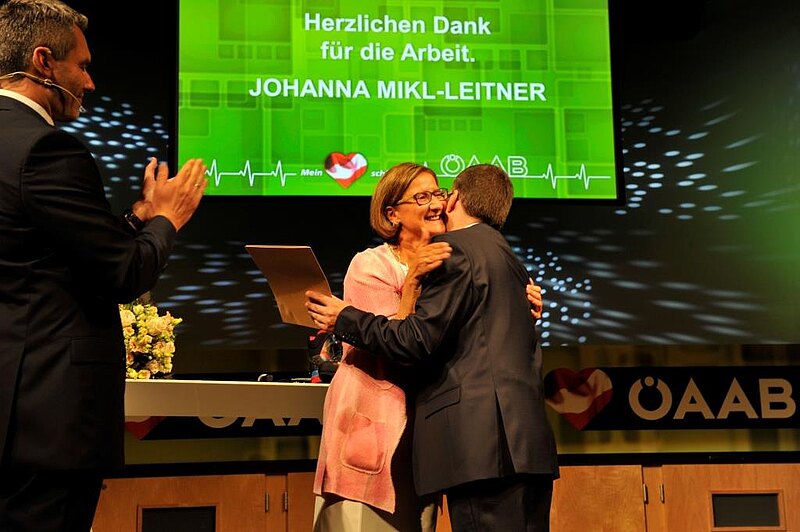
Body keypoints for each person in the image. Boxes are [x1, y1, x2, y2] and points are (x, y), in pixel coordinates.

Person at [0, 1, 207, 530]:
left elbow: (49, 251)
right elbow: (124, 275)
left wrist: (138, 218)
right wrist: (170, 218)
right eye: (83, 66)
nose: (90, 83)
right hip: (44, 424)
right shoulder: (46, 149)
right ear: (43, 61)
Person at [306, 164, 559, 532]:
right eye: (422, 196)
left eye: (438, 193)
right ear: (392, 214)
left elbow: (414, 341)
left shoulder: (451, 253)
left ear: (453, 199)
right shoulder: (501, 256)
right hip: (415, 439)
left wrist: (343, 317)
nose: (436, 203)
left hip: (480, 447)